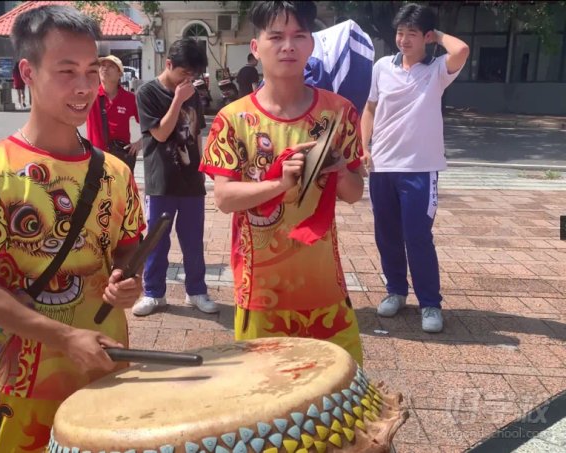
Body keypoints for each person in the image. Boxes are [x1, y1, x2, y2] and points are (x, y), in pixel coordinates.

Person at [0, 5, 145, 452]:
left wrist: (127, 279)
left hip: (107, 370)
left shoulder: (115, 172)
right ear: (28, 72)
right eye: (67, 71)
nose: (85, 86)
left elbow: (128, 247)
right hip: (30, 383)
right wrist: (66, 337)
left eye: (92, 70)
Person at [199, 1, 366, 364]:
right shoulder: (233, 119)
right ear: (256, 48)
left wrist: (337, 168)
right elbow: (225, 198)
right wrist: (280, 183)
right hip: (260, 289)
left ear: (310, 45)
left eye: (298, 36)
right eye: (276, 37)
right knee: (264, 395)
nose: (287, 46)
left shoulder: (339, 113)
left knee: (337, 390)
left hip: (324, 286)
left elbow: (354, 194)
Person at [361, 3, 469, 333]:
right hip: (383, 165)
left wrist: (437, 35)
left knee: (418, 236)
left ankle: (430, 303)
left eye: (412, 34)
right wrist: (364, 148)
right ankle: (395, 291)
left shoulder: (437, 70)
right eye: (400, 33)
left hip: (420, 168)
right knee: (387, 234)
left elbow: (462, 49)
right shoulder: (382, 67)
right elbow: (370, 108)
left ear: (427, 37)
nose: (404, 40)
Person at [131, 38, 219, 317]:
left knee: (193, 240)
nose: (188, 80)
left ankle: (196, 291)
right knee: (157, 240)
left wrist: (205, 166)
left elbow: (195, 132)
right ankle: (154, 293)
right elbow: (159, 134)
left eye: (192, 75)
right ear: (168, 64)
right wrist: (178, 100)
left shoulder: (192, 92)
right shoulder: (147, 93)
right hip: (162, 181)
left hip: (191, 180)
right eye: (184, 73)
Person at [85, 54, 141, 171]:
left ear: (120, 73)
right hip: (96, 158)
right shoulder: (90, 95)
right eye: (102, 65)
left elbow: (150, 125)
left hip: (120, 160)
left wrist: (139, 144)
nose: (105, 68)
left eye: (111, 66)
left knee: (122, 189)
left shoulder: (130, 99)